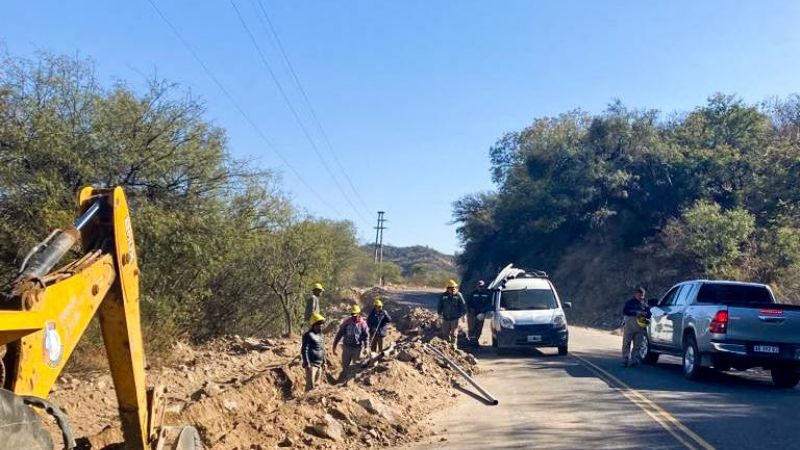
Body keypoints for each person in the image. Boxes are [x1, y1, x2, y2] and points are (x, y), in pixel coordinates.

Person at [332, 304, 369, 379]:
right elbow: (339, 334)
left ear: (359, 314)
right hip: (347, 348)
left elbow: (366, 336)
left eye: (355, 315)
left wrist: (366, 347)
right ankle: (342, 380)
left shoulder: (363, 324)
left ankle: (351, 382)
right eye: (352, 315)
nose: (354, 316)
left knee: (355, 367)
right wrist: (334, 346)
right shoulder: (347, 322)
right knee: (345, 366)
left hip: (357, 348)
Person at [621, 287, 651, 367]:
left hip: (640, 328)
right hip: (629, 327)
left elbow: (649, 315)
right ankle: (625, 359)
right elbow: (625, 311)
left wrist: (644, 313)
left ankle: (635, 360)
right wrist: (635, 312)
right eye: (639, 294)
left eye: (642, 295)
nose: (641, 296)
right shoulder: (629, 303)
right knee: (626, 343)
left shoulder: (645, 305)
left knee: (638, 345)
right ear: (635, 294)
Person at [438, 280, 467, 350]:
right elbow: (440, 305)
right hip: (445, 317)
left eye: (454, 287)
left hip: (455, 318)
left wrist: (464, 315)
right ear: (448, 288)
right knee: (445, 333)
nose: (453, 289)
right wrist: (439, 314)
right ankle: (447, 346)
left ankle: (454, 346)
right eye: (452, 288)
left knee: (454, 333)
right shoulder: (443, 296)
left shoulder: (458, 295)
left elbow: (463, 306)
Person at [301, 312, 327, 391]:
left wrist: (324, 362)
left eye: (321, 324)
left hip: (319, 365)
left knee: (317, 385)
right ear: (313, 325)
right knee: (310, 386)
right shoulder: (308, 335)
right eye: (318, 324)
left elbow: (322, 349)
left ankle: (312, 402)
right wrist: (307, 363)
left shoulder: (321, 335)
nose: (320, 326)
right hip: (311, 365)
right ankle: (305, 402)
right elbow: (304, 349)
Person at [467, 280, 491, 346]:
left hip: (481, 314)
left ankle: (476, 341)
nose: (480, 287)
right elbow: (468, 302)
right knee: (471, 328)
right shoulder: (472, 294)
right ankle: (471, 341)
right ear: (477, 286)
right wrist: (471, 309)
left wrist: (484, 311)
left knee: (479, 328)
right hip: (472, 314)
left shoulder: (487, 294)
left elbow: (489, 304)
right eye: (479, 286)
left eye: (482, 286)